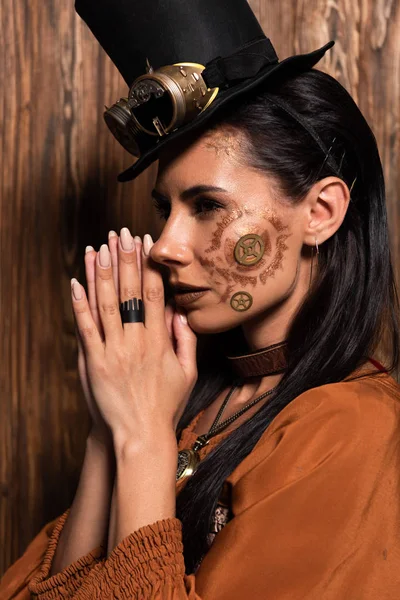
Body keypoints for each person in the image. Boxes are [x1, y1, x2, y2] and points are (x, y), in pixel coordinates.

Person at [1, 0, 400, 598]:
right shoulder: (194, 398)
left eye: (208, 206)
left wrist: (141, 434)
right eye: (165, 209)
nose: (163, 246)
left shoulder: (354, 428)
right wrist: (110, 433)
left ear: (320, 213)